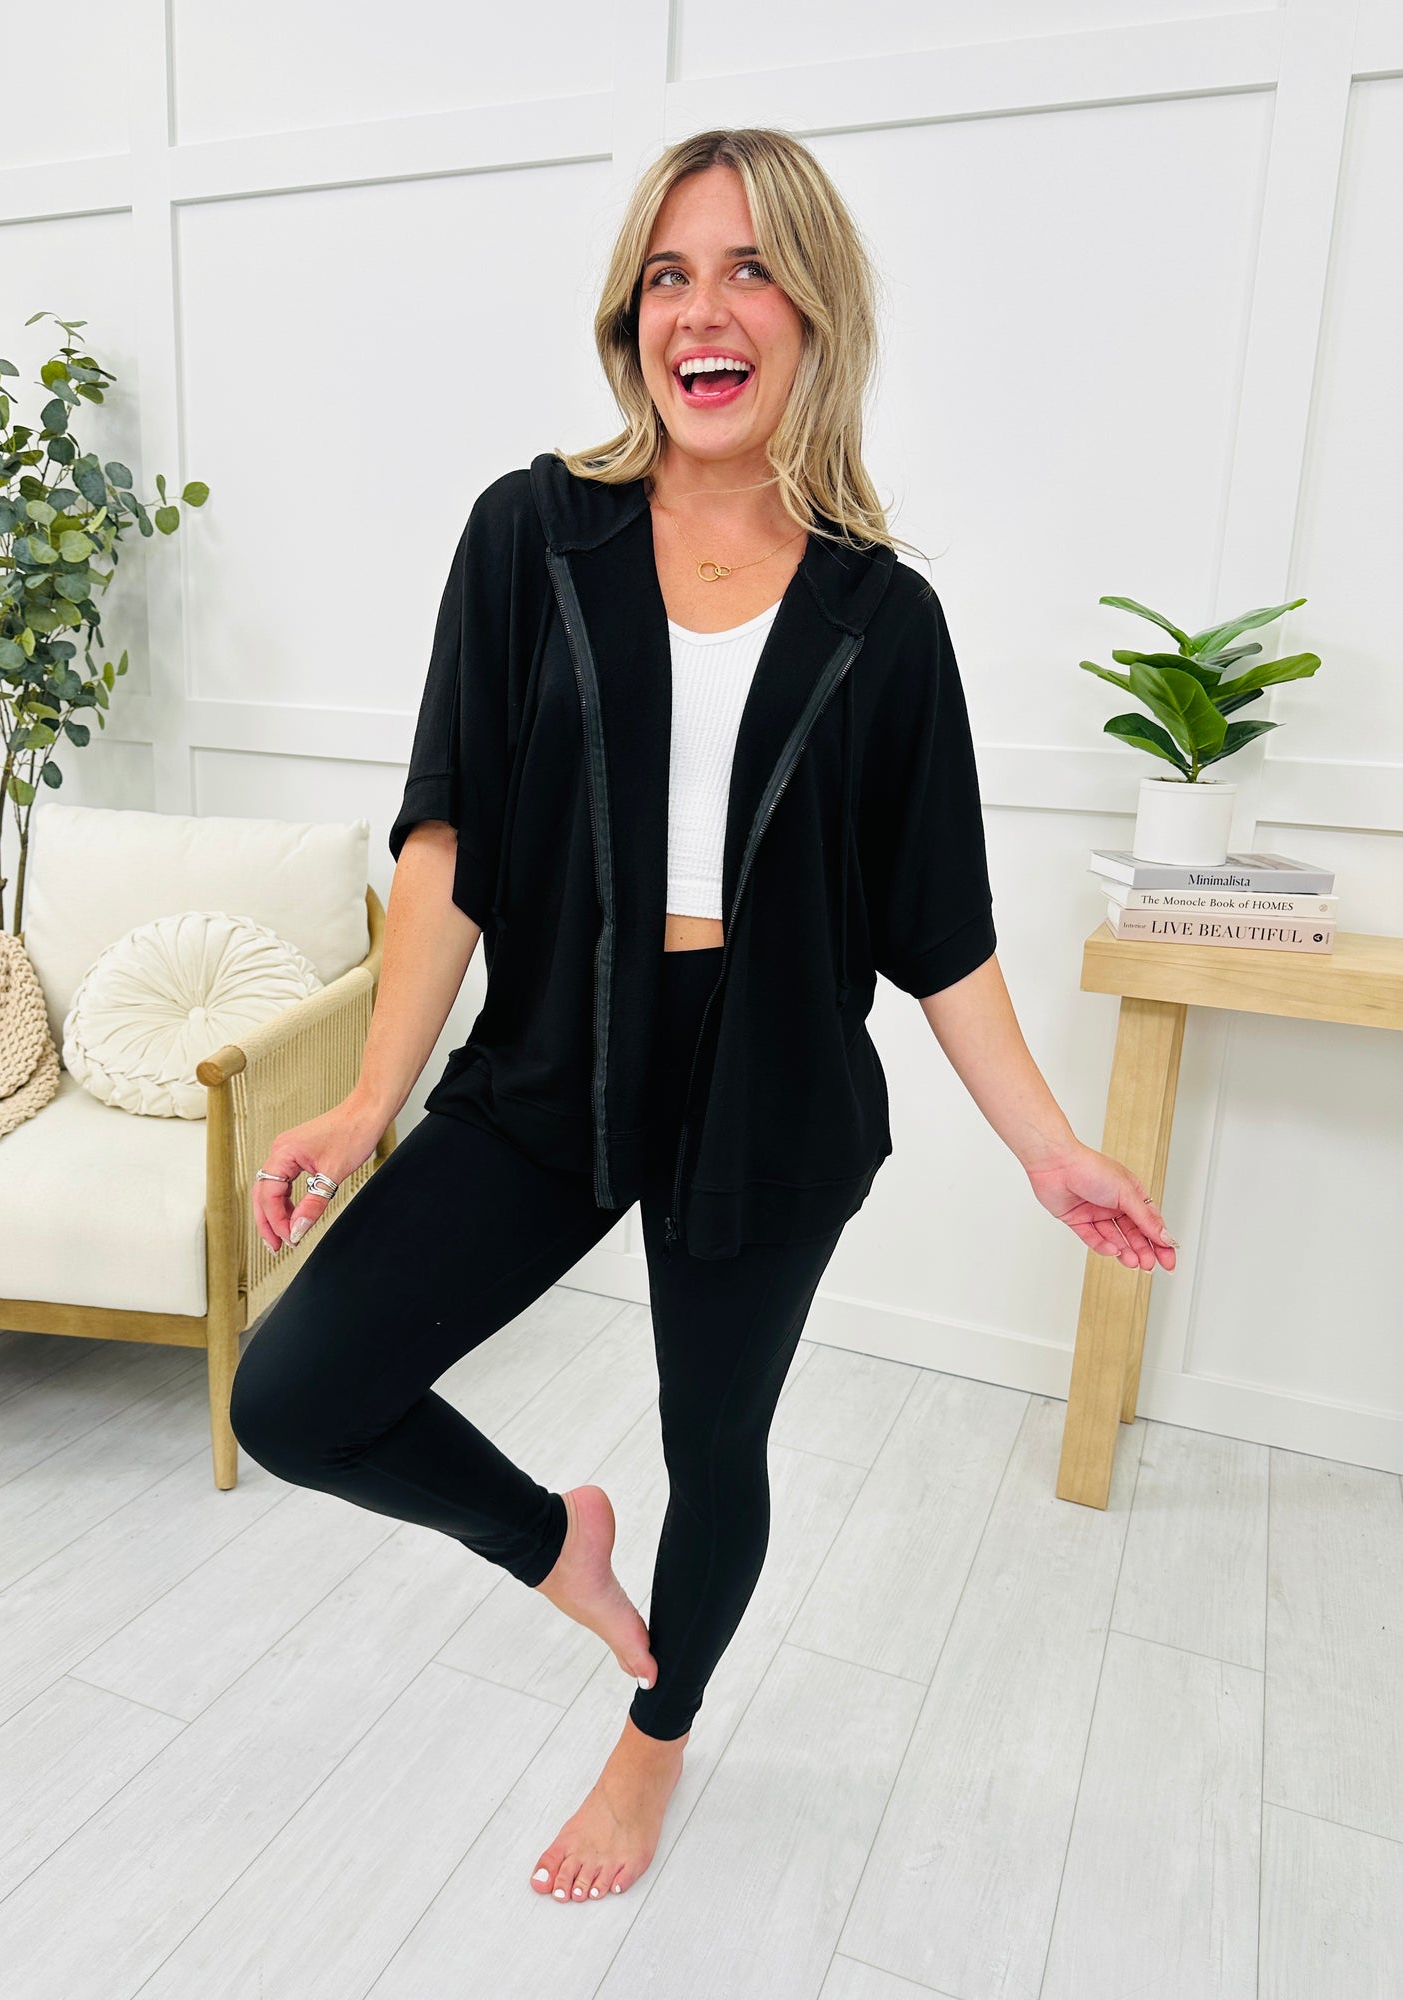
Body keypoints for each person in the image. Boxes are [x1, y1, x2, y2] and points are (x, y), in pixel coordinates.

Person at [228, 127, 1177, 1909]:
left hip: (774, 1090)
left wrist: (1048, 1150)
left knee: (713, 1448)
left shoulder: (885, 620)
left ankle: (655, 1738)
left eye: (749, 270)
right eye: (669, 275)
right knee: (297, 1394)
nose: (704, 310)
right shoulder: (532, 534)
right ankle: (559, 1550)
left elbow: (941, 936)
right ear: (630, 317)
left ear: (814, 314)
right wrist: (369, 1099)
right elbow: (446, 844)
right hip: (554, 1060)